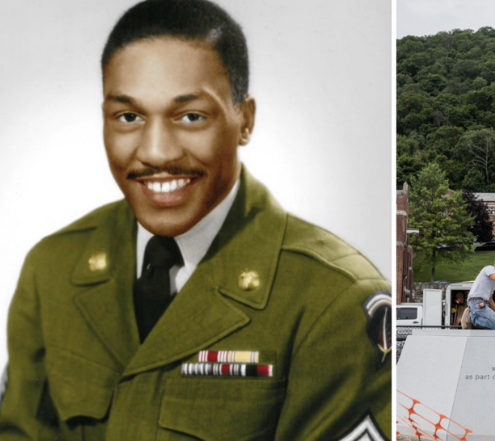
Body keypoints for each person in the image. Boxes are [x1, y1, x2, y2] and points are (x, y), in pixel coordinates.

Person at [0, 1, 390, 439]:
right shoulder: (52, 267)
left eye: (190, 116)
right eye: (129, 117)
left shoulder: (332, 298)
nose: (157, 151)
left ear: (245, 121)